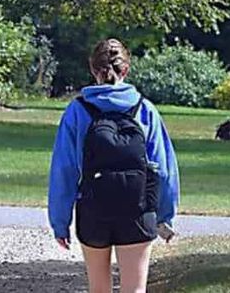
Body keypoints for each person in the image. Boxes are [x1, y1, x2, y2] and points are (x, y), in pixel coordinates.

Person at [47, 38, 179, 293]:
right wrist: (166, 217)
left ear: (93, 69)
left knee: (99, 290)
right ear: (125, 70)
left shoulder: (77, 111)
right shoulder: (145, 109)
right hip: (138, 210)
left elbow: (64, 171)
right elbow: (163, 170)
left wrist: (60, 222)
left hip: (93, 210)